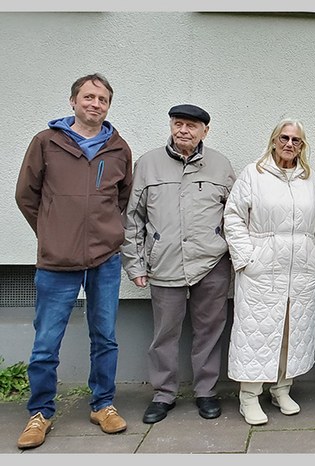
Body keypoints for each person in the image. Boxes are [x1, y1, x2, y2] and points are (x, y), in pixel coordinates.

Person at [14, 73, 133, 450]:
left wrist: (108, 232)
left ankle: (103, 404)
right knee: (46, 341)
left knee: (105, 337)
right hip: (57, 261)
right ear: (73, 101)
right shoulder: (46, 142)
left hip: (104, 259)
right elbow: (26, 195)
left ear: (108, 106)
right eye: (88, 97)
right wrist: (53, 232)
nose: (95, 104)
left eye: (102, 99)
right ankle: (40, 412)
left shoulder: (118, 148)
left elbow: (121, 198)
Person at [121, 104, 236, 424]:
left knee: (209, 330)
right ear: (171, 126)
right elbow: (133, 219)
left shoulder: (220, 165)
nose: (183, 130)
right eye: (178, 124)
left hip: (211, 263)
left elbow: (236, 215)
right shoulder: (148, 164)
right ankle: (163, 394)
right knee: (165, 332)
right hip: (165, 262)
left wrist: (234, 256)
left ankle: (206, 391)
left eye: (191, 126)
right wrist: (135, 265)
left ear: (205, 131)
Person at [223, 118, 315, 426]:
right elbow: (233, 217)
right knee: (257, 330)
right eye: (284, 138)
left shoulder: (310, 179)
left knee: (291, 331)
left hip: (301, 271)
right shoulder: (253, 174)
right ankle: (249, 396)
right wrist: (246, 258)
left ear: (302, 146)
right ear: (273, 140)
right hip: (261, 269)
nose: (289, 144)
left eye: (296, 140)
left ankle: (282, 388)